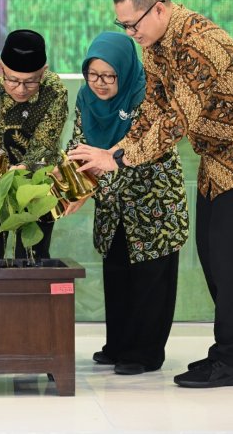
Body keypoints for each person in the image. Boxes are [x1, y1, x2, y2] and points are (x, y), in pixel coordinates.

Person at [69, 0, 233, 388]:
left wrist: (117, 158)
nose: (130, 32)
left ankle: (230, 360)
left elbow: (178, 119)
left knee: (229, 262)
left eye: (133, 23)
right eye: (123, 26)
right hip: (217, 156)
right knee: (212, 254)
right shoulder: (156, 47)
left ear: (159, 8)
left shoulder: (197, 41)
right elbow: (154, 110)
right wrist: (114, 152)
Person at [64, 31, 189, 376]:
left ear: (125, 70)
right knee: (117, 274)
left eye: (109, 76)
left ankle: (145, 353)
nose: (100, 83)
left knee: (150, 280)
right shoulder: (86, 98)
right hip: (113, 206)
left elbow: (139, 154)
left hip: (153, 203)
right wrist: (71, 187)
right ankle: (118, 345)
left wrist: (92, 184)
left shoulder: (148, 96)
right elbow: (79, 147)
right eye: (93, 74)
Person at [0, 29, 68, 260]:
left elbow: (45, 145)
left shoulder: (55, 90)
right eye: (13, 79)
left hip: (35, 184)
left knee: (32, 257)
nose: (20, 89)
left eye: (30, 82)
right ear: (0, 68)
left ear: (43, 72)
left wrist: (23, 170)